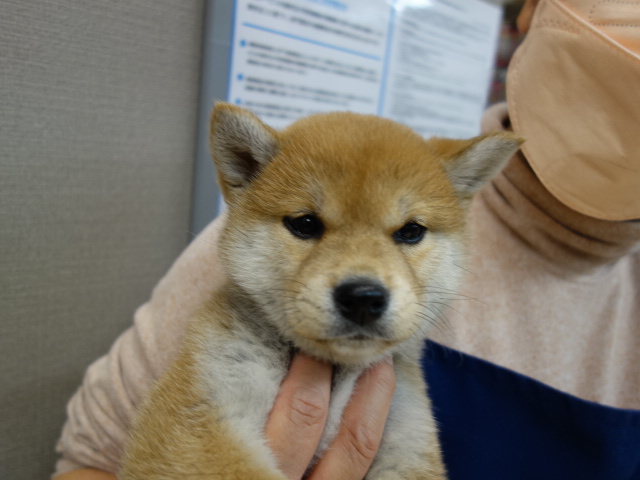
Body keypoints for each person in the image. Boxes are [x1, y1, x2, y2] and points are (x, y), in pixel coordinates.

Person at [53, 0, 640, 478]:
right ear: (533, 8)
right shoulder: (229, 290)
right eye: (307, 226)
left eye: (409, 232)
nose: (363, 279)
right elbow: (93, 459)